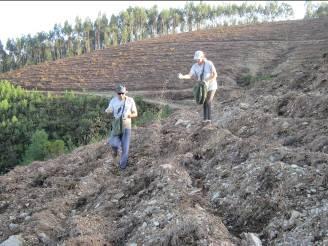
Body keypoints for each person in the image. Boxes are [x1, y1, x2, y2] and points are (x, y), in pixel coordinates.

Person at [178, 50, 218, 123]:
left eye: (198, 59)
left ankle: (209, 120)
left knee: (208, 101)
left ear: (202, 57)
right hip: (202, 87)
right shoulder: (195, 66)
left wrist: (206, 80)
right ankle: (205, 120)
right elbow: (190, 75)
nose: (197, 61)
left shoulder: (209, 63)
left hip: (211, 85)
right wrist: (183, 76)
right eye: (196, 59)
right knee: (204, 101)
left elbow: (215, 75)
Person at [105, 84, 138, 170]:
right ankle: (116, 151)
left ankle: (122, 168)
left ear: (125, 92)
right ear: (116, 93)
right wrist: (108, 111)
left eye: (123, 93)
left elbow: (135, 113)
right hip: (116, 126)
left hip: (126, 126)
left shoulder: (130, 100)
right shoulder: (113, 101)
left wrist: (129, 115)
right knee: (113, 142)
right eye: (119, 93)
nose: (121, 95)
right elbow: (109, 110)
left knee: (125, 148)